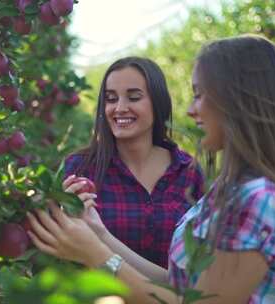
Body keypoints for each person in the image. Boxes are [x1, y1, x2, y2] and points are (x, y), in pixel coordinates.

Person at [26, 35, 275, 303]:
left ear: (239, 100)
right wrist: (99, 235)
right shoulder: (228, 190)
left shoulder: (256, 200)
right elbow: (181, 287)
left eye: (199, 94)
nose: (191, 110)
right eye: (111, 99)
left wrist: (95, 254)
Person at [63, 56, 205, 268]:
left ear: (158, 103)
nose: (120, 108)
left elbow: (200, 261)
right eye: (111, 99)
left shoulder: (189, 171)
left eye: (134, 97)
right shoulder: (80, 169)